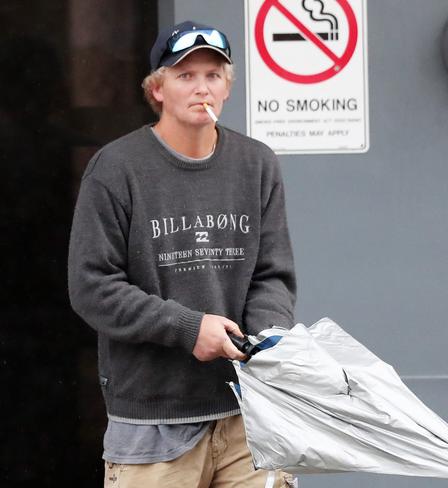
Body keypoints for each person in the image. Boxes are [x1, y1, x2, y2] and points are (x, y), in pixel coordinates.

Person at [68, 20, 297, 488]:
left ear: (228, 87)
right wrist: (189, 328)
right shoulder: (116, 168)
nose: (201, 88)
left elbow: (272, 274)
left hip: (250, 418)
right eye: (184, 75)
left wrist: (266, 336)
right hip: (155, 426)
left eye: (213, 75)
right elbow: (92, 286)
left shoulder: (256, 164)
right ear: (158, 89)